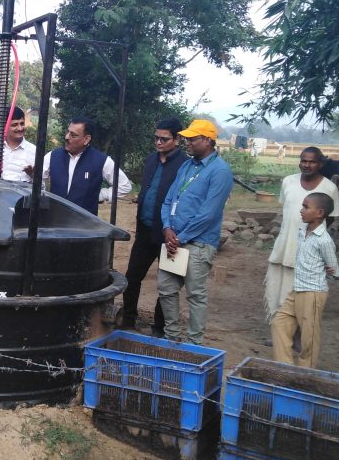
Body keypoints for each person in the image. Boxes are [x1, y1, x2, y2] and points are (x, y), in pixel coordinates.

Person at [158, 119, 233, 344]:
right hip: (174, 240)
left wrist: (180, 238)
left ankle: (194, 344)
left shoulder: (220, 171)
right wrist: (167, 228)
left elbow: (209, 213)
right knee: (166, 289)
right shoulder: (187, 165)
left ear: (208, 141)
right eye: (187, 138)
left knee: (195, 295)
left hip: (198, 244)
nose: (187, 143)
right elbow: (169, 199)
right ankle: (171, 336)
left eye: (193, 139)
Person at [119, 118, 186, 335]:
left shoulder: (184, 165)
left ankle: (158, 326)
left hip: (169, 233)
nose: (158, 142)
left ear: (176, 139)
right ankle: (128, 319)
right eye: (156, 138)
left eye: (164, 139)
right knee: (132, 276)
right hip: (145, 229)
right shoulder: (151, 160)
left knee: (166, 283)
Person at [264, 147, 339, 320]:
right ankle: (279, 329)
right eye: (304, 161)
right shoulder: (288, 182)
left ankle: (297, 334)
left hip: (309, 249)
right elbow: (287, 209)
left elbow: (330, 218)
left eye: (312, 161)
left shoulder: (329, 188)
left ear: (320, 164)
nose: (307, 165)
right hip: (285, 244)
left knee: (302, 293)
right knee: (278, 288)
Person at [270, 192, 339, 368]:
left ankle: (305, 375)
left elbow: (335, 270)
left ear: (319, 213)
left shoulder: (324, 240)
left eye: (305, 207)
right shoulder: (302, 232)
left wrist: (333, 271)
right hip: (297, 289)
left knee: (309, 339)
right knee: (279, 323)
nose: (301, 210)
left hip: (313, 293)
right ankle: (285, 369)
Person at [42, 117, 132, 215]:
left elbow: (124, 186)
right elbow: (38, 179)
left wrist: (101, 195)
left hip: (84, 224)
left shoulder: (101, 160)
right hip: (54, 221)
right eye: (68, 132)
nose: (67, 137)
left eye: (73, 135)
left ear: (86, 139)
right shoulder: (53, 156)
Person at [0, 106, 36, 181]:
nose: (20, 128)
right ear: (4, 126)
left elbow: (42, 187)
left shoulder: (33, 151)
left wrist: (33, 175)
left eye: (22, 124)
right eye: (14, 125)